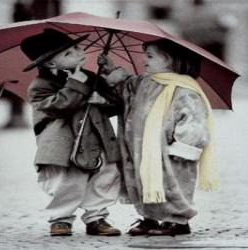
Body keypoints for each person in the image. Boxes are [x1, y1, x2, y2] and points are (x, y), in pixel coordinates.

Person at [98, 39, 219, 236]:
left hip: (171, 152)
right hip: (141, 148)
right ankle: (149, 218)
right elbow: (125, 88)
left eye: (150, 56)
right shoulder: (145, 81)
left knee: (172, 185)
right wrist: (111, 69)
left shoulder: (184, 89)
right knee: (142, 182)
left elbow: (194, 120)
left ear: (170, 60)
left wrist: (183, 147)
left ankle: (178, 221)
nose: (143, 59)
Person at [20, 29, 122, 236]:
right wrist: (77, 83)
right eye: (68, 53)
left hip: (97, 138)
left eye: (76, 47)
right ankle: (61, 218)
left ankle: (97, 217)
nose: (78, 52)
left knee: (104, 177)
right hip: (63, 143)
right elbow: (59, 106)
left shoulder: (92, 78)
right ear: (50, 64)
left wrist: (104, 100)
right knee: (67, 182)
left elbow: (117, 105)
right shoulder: (40, 86)